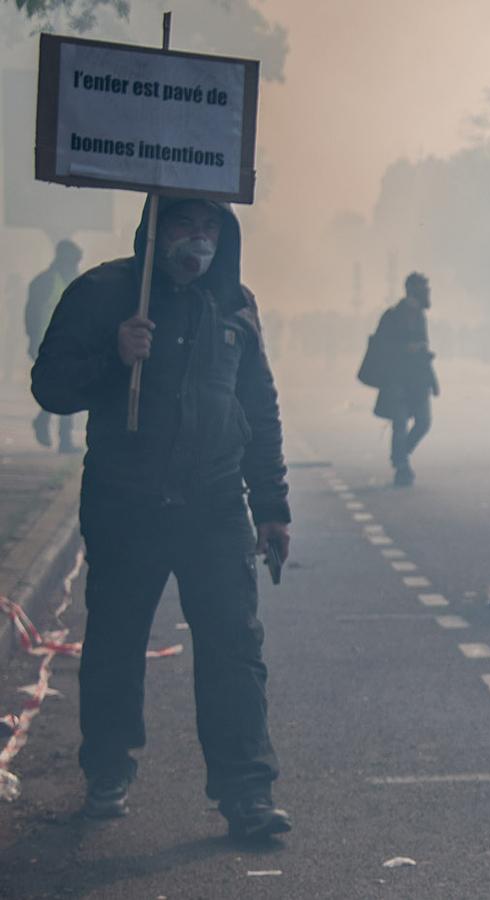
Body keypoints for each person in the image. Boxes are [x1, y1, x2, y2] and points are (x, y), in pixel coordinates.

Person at [31, 198, 292, 841]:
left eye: (210, 228)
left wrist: (273, 506)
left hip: (215, 504)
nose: (197, 241)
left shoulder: (235, 303)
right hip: (126, 502)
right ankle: (108, 769)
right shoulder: (104, 292)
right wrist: (114, 356)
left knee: (235, 646)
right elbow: (50, 386)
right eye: (184, 225)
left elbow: (258, 407)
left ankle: (246, 793)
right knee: (117, 643)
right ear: (156, 231)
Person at [372, 273, 438, 487]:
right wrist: (404, 349)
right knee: (400, 424)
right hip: (397, 380)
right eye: (423, 288)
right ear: (412, 290)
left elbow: (424, 349)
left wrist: (433, 380)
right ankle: (401, 465)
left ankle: (400, 455)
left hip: (418, 380)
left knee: (424, 422)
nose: (427, 292)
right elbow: (380, 347)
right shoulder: (392, 316)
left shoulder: (420, 316)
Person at [25, 240, 84, 452]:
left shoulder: (73, 280)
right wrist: (33, 341)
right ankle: (63, 439)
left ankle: (47, 423)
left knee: (63, 387)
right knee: (64, 387)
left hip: (67, 344)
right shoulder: (44, 282)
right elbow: (32, 314)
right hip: (47, 344)